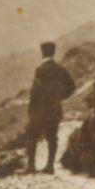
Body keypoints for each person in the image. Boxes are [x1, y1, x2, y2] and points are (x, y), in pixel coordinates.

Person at [25, 41, 76, 174]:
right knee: (52, 137)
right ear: (53, 52)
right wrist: (59, 97)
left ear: (42, 52)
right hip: (54, 109)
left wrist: (31, 109)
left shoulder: (40, 70)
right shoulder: (61, 69)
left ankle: (31, 166)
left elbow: (34, 92)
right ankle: (50, 166)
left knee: (32, 135)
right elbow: (72, 87)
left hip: (39, 109)